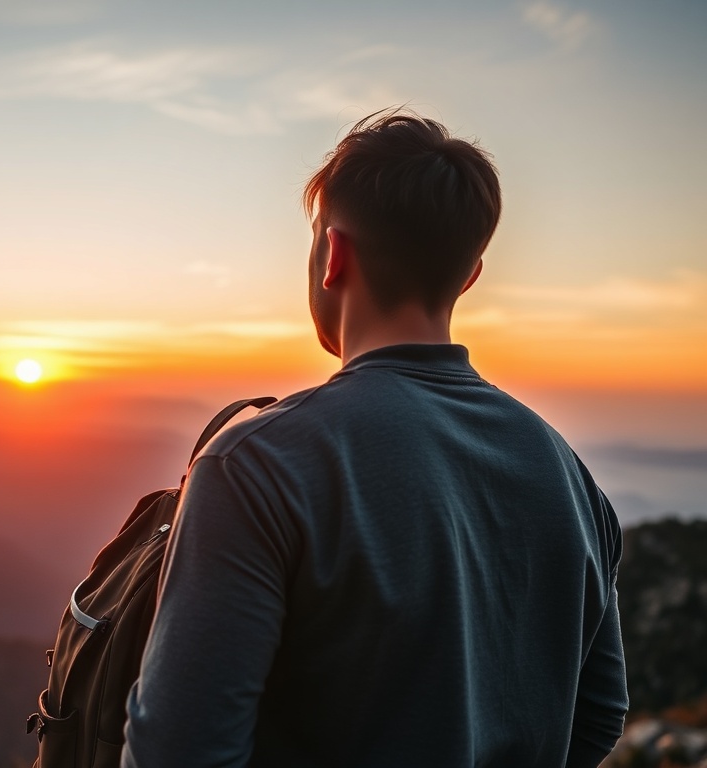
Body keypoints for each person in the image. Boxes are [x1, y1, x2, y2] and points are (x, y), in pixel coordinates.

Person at [120, 109, 627, 767]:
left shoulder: (257, 465)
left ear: (333, 254)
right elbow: (598, 717)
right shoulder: (569, 474)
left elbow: (176, 754)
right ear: (469, 275)